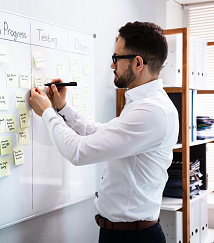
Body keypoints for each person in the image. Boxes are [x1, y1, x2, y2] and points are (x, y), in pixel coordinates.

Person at [29, 21, 178, 243]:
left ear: (138, 63)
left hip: (133, 238)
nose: (112, 65)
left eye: (116, 58)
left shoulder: (152, 111)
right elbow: (102, 133)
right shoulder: (144, 103)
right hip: (122, 233)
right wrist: (62, 108)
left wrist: (48, 114)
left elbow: (80, 152)